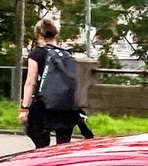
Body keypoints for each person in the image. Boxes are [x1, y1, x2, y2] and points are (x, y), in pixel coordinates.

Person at [18, 16, 93, 147]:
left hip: (44, 107)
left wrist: (24, 108)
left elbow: (31, 82)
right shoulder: (67, 55)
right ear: (55, 34)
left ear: (39, 34)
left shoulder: (37, 54)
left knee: (40, 145)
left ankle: (44, 164)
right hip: (66, 108)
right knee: (63, 147)